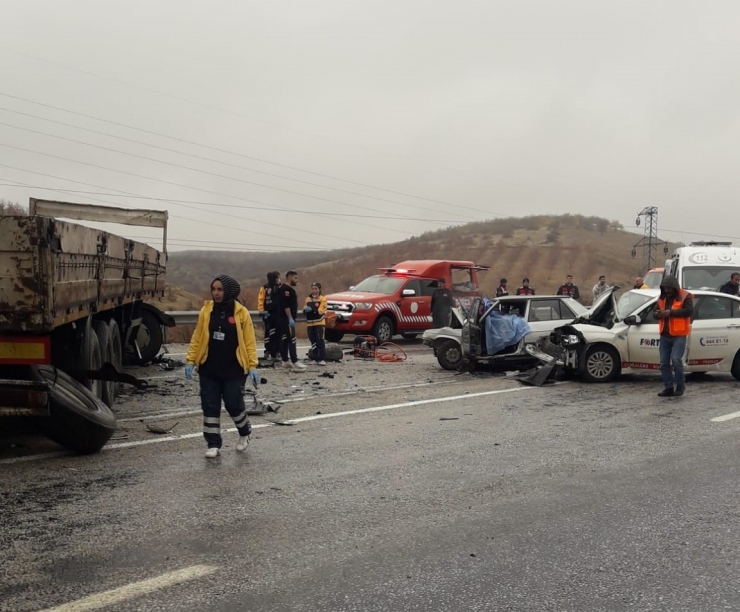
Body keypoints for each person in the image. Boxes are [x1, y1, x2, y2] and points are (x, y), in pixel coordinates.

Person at [185, 275, 259, 458]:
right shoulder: (206, 310)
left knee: (234, 403)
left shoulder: (241, 313)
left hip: (234, 369)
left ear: (229, 292)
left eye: (220, 290)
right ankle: (213, 443)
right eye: (214, 289)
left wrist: (252, 366)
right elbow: (197, 337)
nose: (216, 293)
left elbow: (249, 342)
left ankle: (245, 432)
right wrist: (191, 360)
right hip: (209, 368)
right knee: (210, 405)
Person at [656, 275, 693, 397]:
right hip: (665, 335)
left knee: (676, 359)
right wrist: (658, 314)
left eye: (669, 288)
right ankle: (668, 387)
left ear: (674, 287)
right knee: (663, 363)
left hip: (679, 335)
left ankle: (680, 385)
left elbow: (688, 311)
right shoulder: (662, 298)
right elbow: (654, 313)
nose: (667, 291)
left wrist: (671, 313)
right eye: (665, 288)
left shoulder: (685, 296)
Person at [277, 270, 307, 371]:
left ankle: (285, 360)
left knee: (285, 339)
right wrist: (290, 317)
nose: (296, 280)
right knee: (291, 339)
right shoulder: (286, 290)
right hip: (286, 318)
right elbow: (286, 306)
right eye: (295, 278)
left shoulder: (288, 289)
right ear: (289, 277)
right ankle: (295, 361)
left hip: (286, 318)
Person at [257, 271, 281, 363]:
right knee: (268, 333)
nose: (279, 279)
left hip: (277, 314)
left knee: (278, 333)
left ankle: (277, 352)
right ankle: (268, 351)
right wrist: (262, 311)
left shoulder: (280, 287)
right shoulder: (265, 288)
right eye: (277, 278)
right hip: (268, 314)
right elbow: (261, 300)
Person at [304, 282, 328, 365]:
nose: (314, 290)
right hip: (310, 323)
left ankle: (322, 358)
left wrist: (313, 310)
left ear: (319, 289)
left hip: (319, 323)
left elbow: (321, 311)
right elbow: (305, 309)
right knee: (313, 341)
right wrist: (305, 310)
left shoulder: (322, 299)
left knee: (320, 340)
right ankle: (315, 358)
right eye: (313, 289)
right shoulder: (308, 299)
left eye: (316, 289)